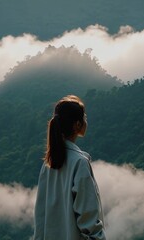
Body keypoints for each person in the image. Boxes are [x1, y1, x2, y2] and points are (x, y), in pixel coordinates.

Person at [33, 95, 106, 240]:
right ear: (77, 125)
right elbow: (88, 220)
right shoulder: (79, 163)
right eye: (84, 117)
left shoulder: (48, 164)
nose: (86, 121)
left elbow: (40, 216)